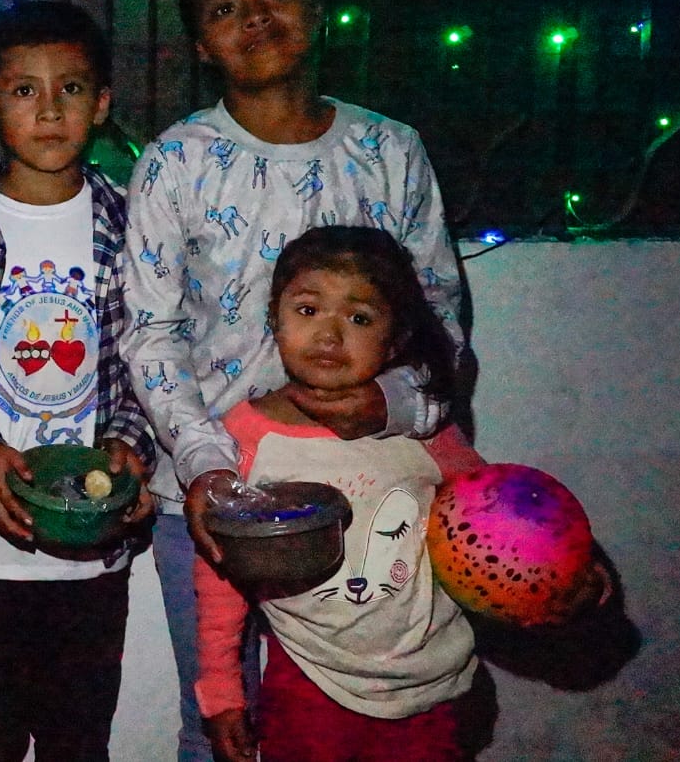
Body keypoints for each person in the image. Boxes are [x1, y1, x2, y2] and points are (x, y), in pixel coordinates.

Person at [120, 0, 468, 761]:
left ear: (316, 9)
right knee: (220, 721)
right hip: (215, 500)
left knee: (374, 713)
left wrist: (393, 404)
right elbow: (151, 333)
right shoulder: (174, 162)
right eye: (225, 8)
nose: (255, 17)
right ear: (201, 43)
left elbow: (441, 319)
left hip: (374, 488)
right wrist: (206, 464)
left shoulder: (389, 151)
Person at [0, 1, 156, 761]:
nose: (51, 110)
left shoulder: (130, 222)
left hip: (92, 545)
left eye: (72, 88)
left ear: (102, 103)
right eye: (24, 90)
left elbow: (143, 354)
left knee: (78, 739)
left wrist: (129, 447)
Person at [194, 224, 483, 761]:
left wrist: (568, 575)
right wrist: (222, 692)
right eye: (308, 310)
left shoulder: (424, 431)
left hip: (432, 685)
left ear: (396, 338)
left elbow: (496, 522)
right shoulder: (245, 439)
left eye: (359, 318)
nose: (329, 335)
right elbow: (219, 574)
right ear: (274, 320)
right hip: (309, 686)